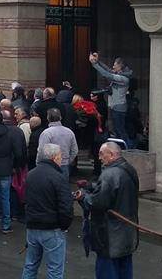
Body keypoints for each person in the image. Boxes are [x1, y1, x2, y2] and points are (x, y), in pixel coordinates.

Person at [76, 141, 139, 279]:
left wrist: (83, 197)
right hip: (127, 234)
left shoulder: (109, 175)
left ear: (111, 155)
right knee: (125, 271)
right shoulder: (129, 169)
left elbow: (96, 203)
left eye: (101, 154)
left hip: (110, 237)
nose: (99, 157)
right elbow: (114, 191)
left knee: (107, 272)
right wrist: (93, 186)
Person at [22, 144, 73, 279]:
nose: (61, 159)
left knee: (30, 265)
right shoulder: (58, 177)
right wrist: (64, 225)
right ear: (55, 157)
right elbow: (65, 206)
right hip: (52, 228)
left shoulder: (31, 174)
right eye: (61, 156)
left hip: (33, 226)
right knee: (55, 270)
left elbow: (25, 199)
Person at [89, 53, 132, 148]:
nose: (113, 66)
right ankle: (123, 148)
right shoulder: (120, 74)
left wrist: (94, 64)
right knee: (117, 130)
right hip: (116, 106)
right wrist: (98, 61)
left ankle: (128, 149)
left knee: (120, 130)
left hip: (119, 107)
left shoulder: (124, 78)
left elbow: (107, 74)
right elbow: (108, 70)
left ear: (120, 66)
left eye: (115, 65)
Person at [37, 108, 78, 178]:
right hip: (64, 165)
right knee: (63, 187)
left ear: (48, 118)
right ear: (60, 117)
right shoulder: (69, 132)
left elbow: (41, 151)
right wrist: (67, 161)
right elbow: (75, 150)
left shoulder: (46, 133)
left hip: (49, 166)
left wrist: (38, 163)